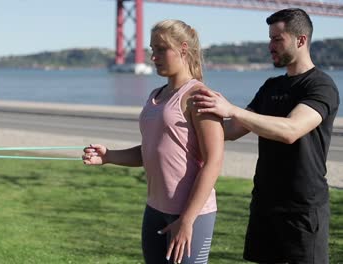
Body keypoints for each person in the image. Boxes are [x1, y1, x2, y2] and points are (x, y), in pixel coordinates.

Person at [192, 8, 339, 264]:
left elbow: (291, 130)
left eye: (277, 40)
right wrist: (188, 126)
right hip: (264, 203)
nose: (270, 46)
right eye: (270, 39)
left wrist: (232, 110)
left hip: (302, 208)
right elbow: (233, 130)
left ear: (301, 40)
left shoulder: (320, 85)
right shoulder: (271, 87)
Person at [82, 20, 224, 264]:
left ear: (182, 49)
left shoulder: (199, 97)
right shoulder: (155, 97)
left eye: (160, 49)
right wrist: (108, 157)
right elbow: (151, 151)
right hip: (155, 210)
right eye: (152, 49)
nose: (153, 57)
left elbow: (214, 161)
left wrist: (187, 219)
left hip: (192, 214)